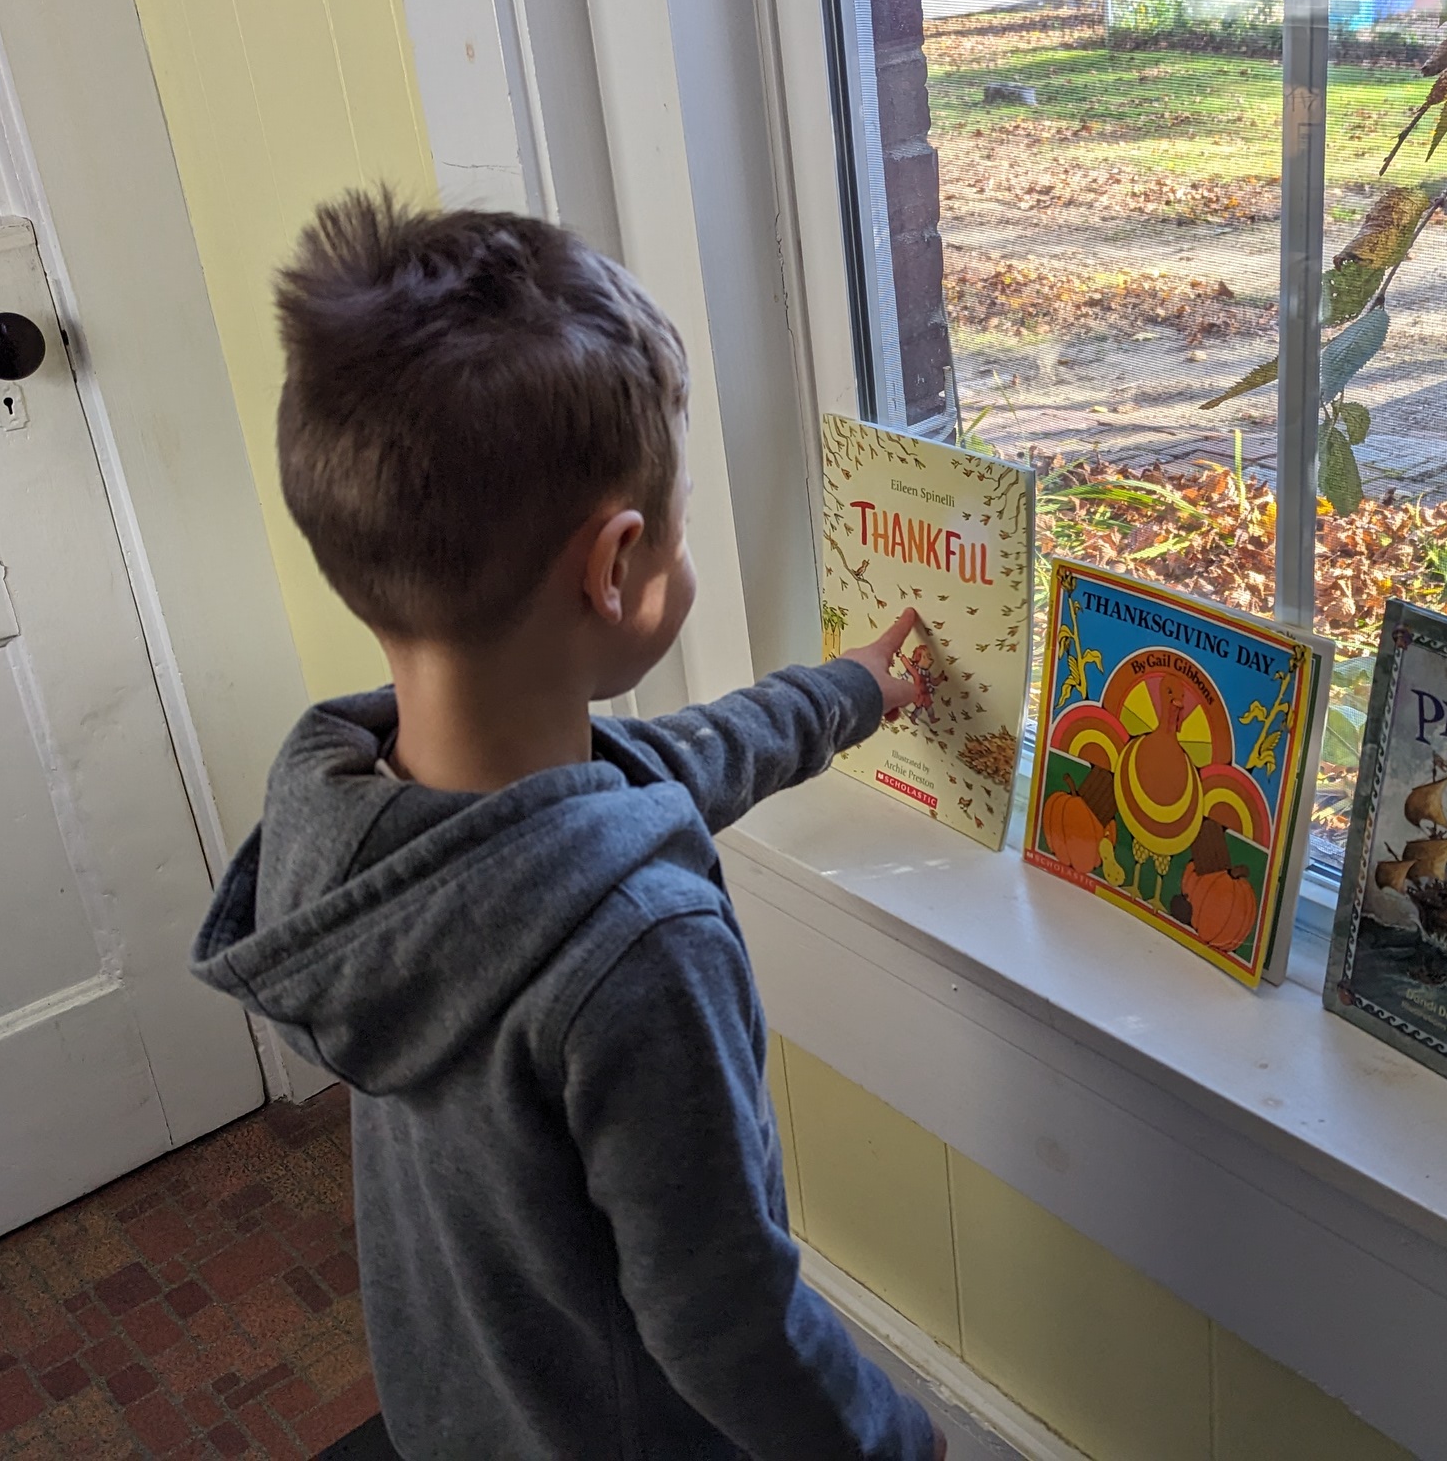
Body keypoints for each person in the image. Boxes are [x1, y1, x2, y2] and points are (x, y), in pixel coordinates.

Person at [192, 192, 942, 1460]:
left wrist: (850, 691)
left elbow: (668, 766)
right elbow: (729, 1322)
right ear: (618, 568)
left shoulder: (350, 815)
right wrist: (888, 1442)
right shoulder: (637, 952)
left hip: (459, 1407)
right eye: (683, 529)